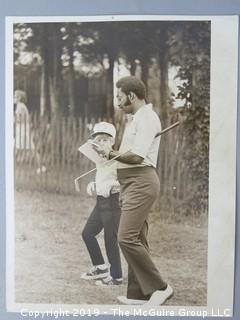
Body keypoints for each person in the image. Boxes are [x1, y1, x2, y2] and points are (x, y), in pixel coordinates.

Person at [92, 76, 173, 305]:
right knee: (137, 237)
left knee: (125, 238)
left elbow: (137, 157)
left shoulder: (147, 118)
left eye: (119, 97)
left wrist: (110, 154)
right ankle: (140, 295)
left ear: (131, 96)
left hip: (142, 182)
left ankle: (161, 287)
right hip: (130, 182)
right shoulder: (136, 118)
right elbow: (129, 155)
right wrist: (110, 153)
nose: (117, 103)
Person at [81, 122, 123, 286]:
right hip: (101, 201)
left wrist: (111, 186)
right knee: (87, 233)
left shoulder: (118, 157)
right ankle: (100, 267)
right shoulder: (99, 158)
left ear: (112, 141)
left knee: (110, 239)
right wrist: (94, 184)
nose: (102, 143)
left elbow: (119, 180)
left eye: (106, 139)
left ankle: (116, 276)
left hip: (112, 201)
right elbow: (103, 177)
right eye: (98, 140)